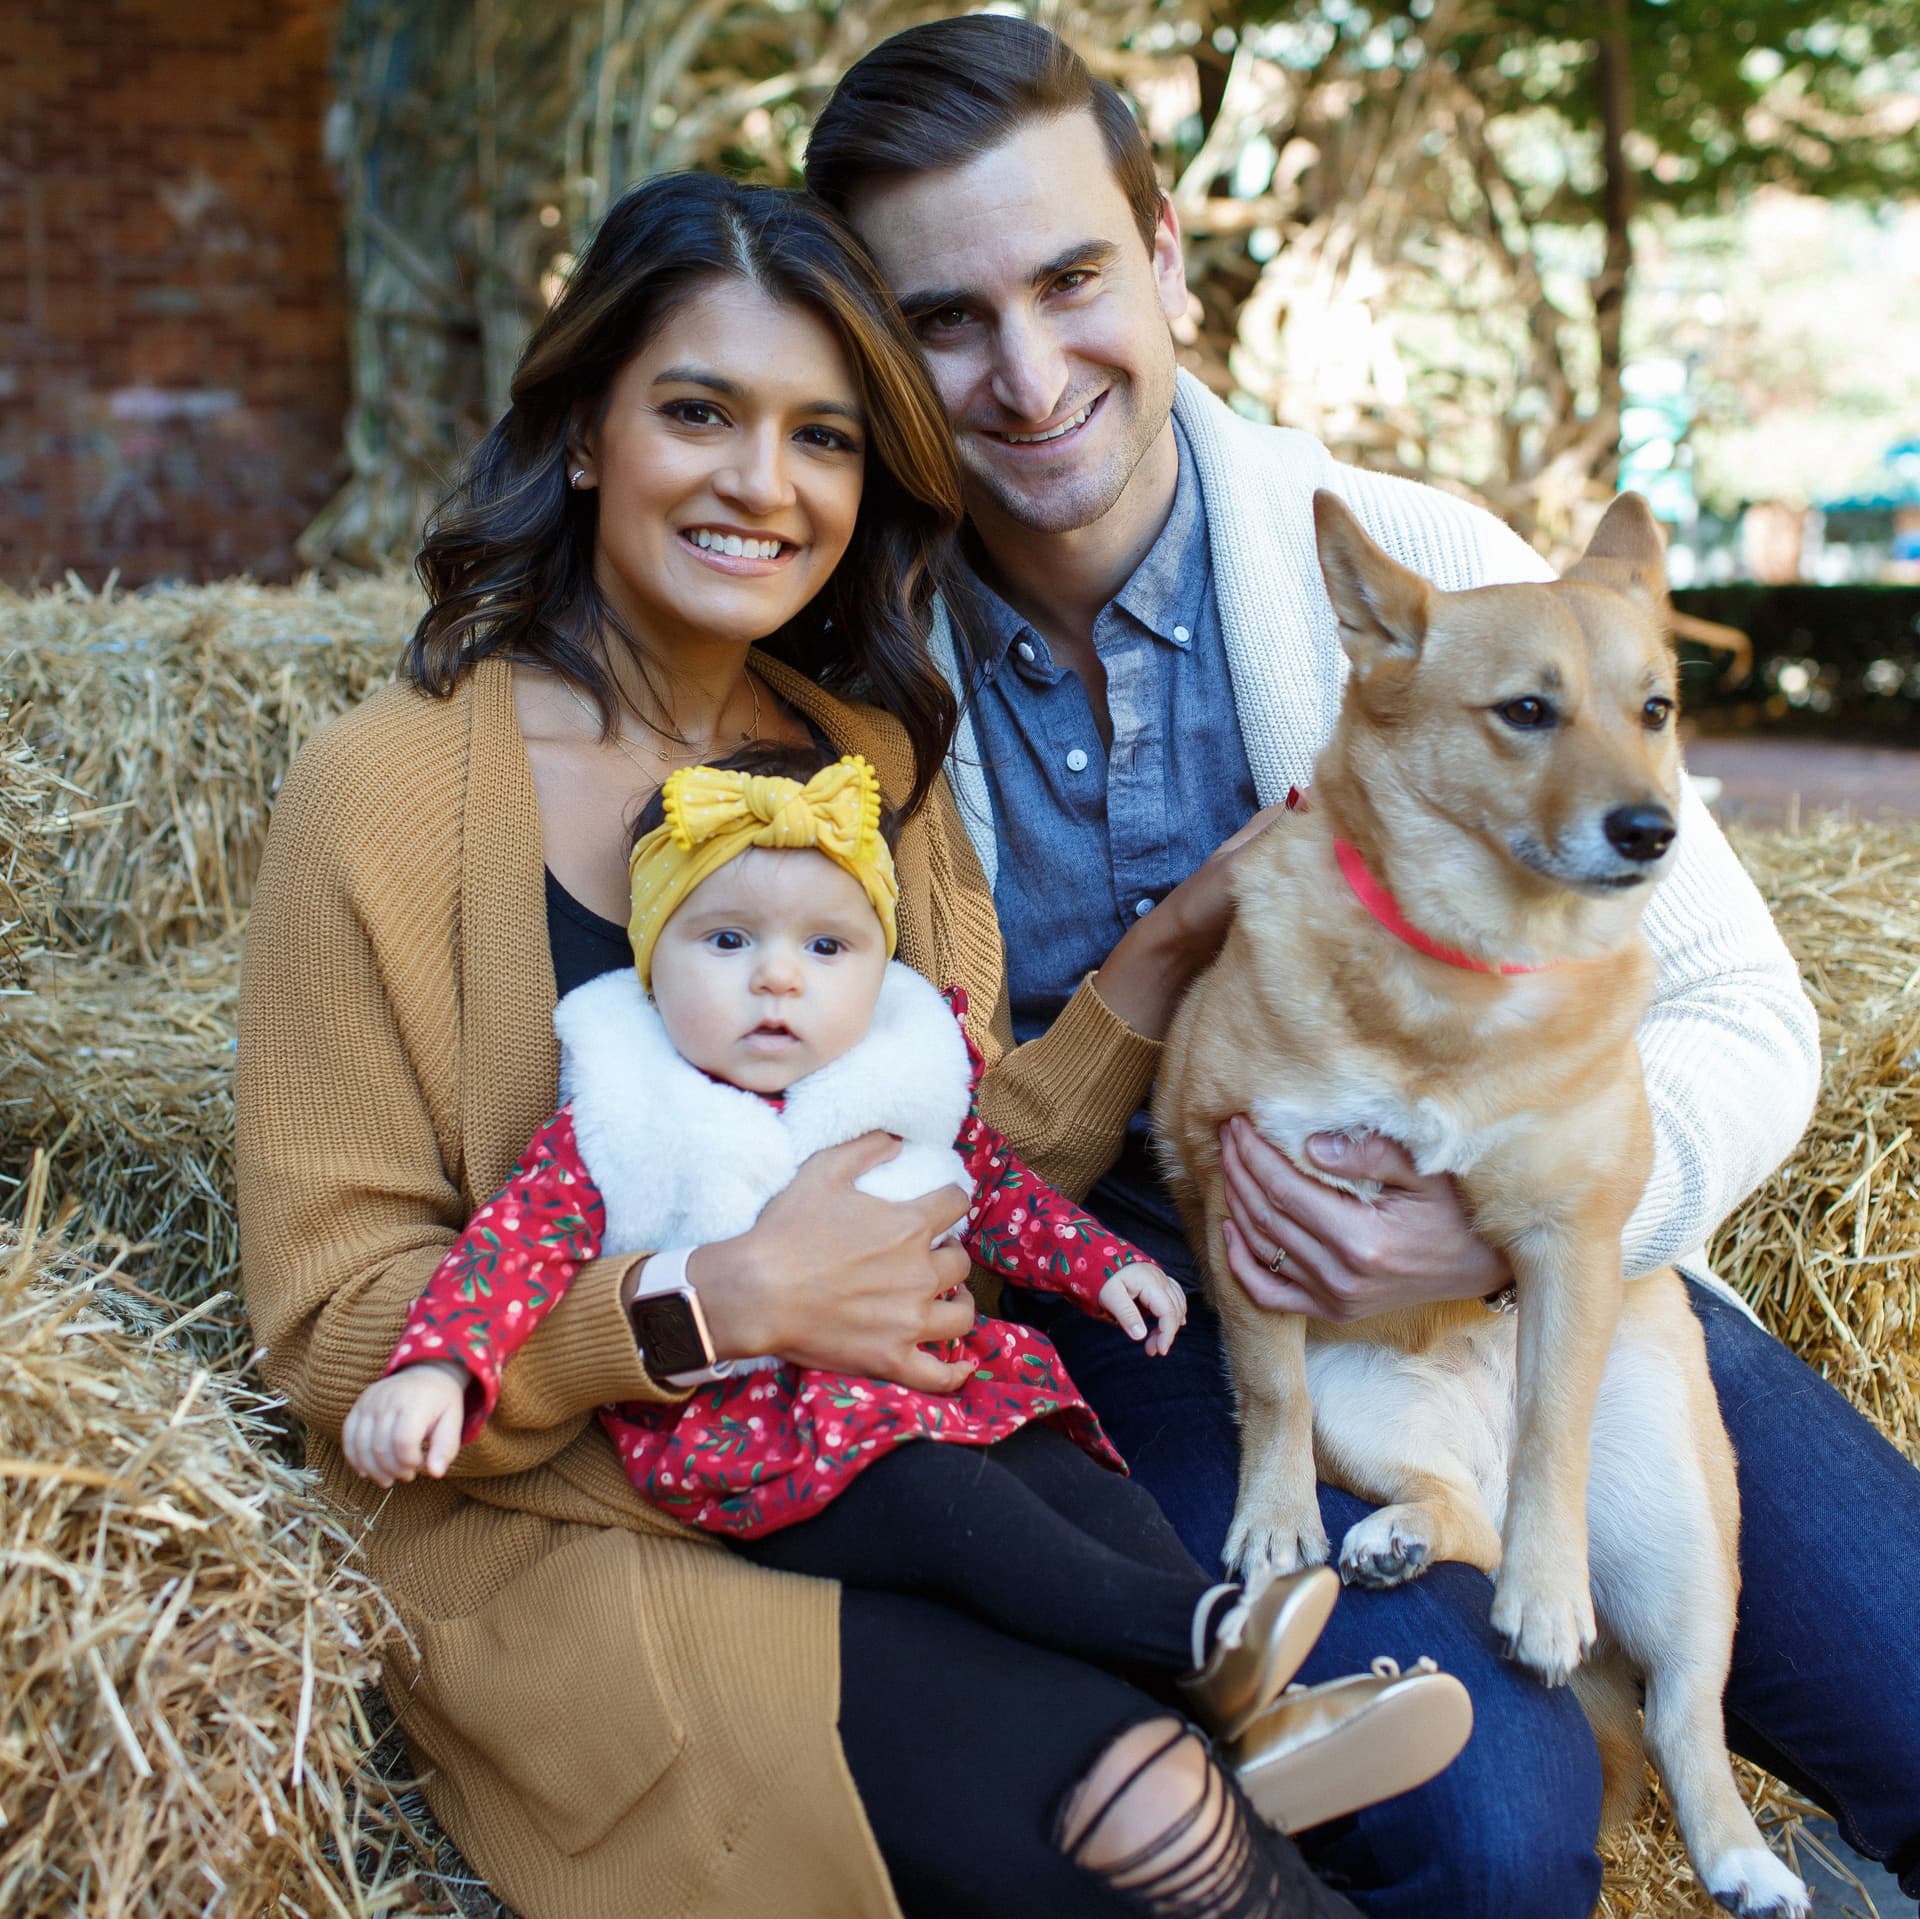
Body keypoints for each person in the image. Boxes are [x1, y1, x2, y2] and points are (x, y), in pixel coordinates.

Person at [803, 18, 1920, 1917]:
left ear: (1164, 257)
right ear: (880, 355)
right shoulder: (845, 681)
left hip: (1532, 1247)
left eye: (1074, 277)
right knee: (1491, 1820)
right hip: (1142, 1309)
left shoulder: (1423, 565)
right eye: (945, 319)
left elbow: (1750, 1008)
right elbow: (870, 1141)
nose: (1027, 370)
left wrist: (1497, 1235)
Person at [238, 170, 1415, 1919]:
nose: (762, 485)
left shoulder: (866, 749)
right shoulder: (387, 790)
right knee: (1146, 1801)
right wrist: (715, 1300)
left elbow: (948, 1140)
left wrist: (1167, 957)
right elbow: (335, 1334)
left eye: (825, 437)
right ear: (580, 432)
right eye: (699, 411)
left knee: (1244, 1771)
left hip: (898, 1456)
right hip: (577, 1521)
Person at [337, 742, 1471, 1840]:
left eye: (826, 947)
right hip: (782, 1446)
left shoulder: (893, 1077)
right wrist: (443, 1364)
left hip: (953, 1390)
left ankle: (1251, 1722)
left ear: (877, 967)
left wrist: (1109, 1263)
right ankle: (1201, 1637)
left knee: (1082, 1488)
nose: (777, 977)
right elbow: (509, 1248)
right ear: (650, 953)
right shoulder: (625, 1112)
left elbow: (998, 1192)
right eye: (726, 938)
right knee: (955, 1513)